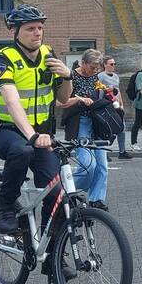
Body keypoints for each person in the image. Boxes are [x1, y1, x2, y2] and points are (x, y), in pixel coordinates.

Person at [0, 5, 72, 240]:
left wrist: (67, 76)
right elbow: (11, 100)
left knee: (56, 195)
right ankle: (6, 207)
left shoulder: (48, 54)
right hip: (6, 130)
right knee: (22, 151)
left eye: (40, 28)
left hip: (41, 134)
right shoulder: (4, 59)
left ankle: (51, 254)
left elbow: (63, 98)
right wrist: (32, 136)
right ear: (14, 31)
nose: (37, 33)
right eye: (30, 28)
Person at [60, 49, 111, 211]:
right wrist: (79, 100)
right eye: (92, 67)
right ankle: (65, 192)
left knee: (102, 165)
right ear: (83, 63)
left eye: (97, 68)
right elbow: (61, 102)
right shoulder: (71, 77)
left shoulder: (95, 77)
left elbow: (97, 94)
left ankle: (96, 199)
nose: (95, 71)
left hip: (96, 123)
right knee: (88, 165)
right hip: (80, 122)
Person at [98, 56, 132, 160]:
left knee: (121, 127)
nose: (113, 66)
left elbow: (118, 91)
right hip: (107, 105)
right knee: (107, 128)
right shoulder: (101, 76)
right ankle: (103, 153)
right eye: (111, 64)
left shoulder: (116, 76)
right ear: (105, 65)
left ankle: (122, 151)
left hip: (116, 105)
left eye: (114, 64)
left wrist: (121, 104)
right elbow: (99, 90)